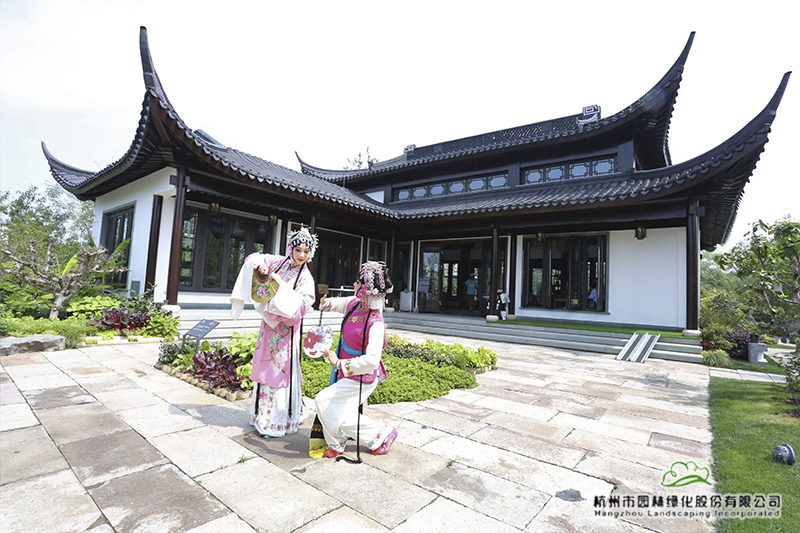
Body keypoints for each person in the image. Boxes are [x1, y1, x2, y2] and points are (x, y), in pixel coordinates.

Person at [229, 226, 318, 438]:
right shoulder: (278, 262)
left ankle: (276, 421)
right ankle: (260, 415)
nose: (302, 255)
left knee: (279, 372)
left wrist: (281, 295)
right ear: (290, 248)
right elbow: (251, 258)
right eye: (298, 250)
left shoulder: (305, 278)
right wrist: (259, 266)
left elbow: (304, 305)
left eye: (306, 251)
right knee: (263, 369)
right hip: (268, 327)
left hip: (285, 331)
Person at [314, 261, 398, 458]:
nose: (354, 284)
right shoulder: (355, 305)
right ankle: (340, 441)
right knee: (338, 411)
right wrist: (327, 304)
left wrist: (338, 363)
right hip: (347, 372)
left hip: (362, 376)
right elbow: (338, 303)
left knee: (323, 401)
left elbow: (372, 361)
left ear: (367, 289)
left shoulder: (376, 322)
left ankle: (378, 433)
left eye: (358, 282)